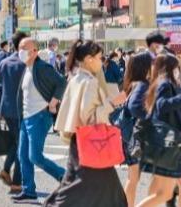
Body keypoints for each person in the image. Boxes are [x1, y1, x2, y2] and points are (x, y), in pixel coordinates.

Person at [44, 39, 126, 207]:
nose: (101, 61)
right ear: (89, 59)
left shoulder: (76, 78)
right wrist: (113, 103)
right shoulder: (90, 81)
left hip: (80, 140)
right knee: (108, 194)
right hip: (93, 142)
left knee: (75, 187)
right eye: (99, 58)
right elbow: (88, 116)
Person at [136, 54, 181, 207]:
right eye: (176, 67)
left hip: (172, 144)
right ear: (170, 68)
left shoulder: (163, 83)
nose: (179, 70)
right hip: (170, 145)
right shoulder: (164, 84)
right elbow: (162, 106)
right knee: (165, 194)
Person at [16, 35, 67, 200]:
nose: (21, 52)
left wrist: (53, 103)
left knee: (35, 156)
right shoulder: (27, 68)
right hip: (27, 117)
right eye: (19, 48)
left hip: (39, 116)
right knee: (23, 155)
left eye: (24, 49)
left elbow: (61, 83)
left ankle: (66, 178)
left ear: (35, 51)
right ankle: (29, 190)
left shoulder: (42, 67)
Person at [0, 32, 27, 193]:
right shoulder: (26, 63)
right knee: (22, 145)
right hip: (22, 109)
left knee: (17, 142)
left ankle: (6, 170)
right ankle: (16, 182)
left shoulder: (4, 63)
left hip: (6, 109)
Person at [119, 52, 153, 207]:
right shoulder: (141, 85)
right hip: (133, 138)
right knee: (133, 178)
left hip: (129, 137)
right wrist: (150, 117)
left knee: (133, 178)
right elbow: (134, 107)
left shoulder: (134, 83)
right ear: (145, 67)